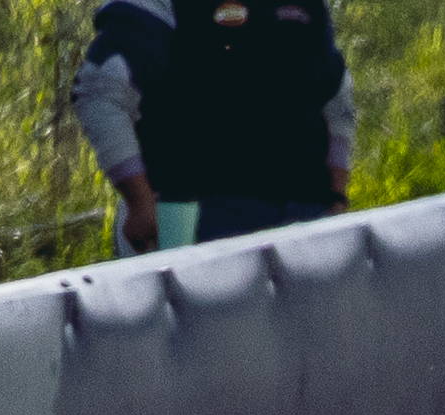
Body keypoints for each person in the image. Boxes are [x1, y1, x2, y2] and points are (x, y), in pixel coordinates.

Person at [68, 0, 351, 251]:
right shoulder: (157, 8)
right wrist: (139, 200)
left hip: (309, 213)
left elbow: (336, 94)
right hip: (197, 220)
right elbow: (100, 91)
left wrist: (337, 194)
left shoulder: (308, 7)